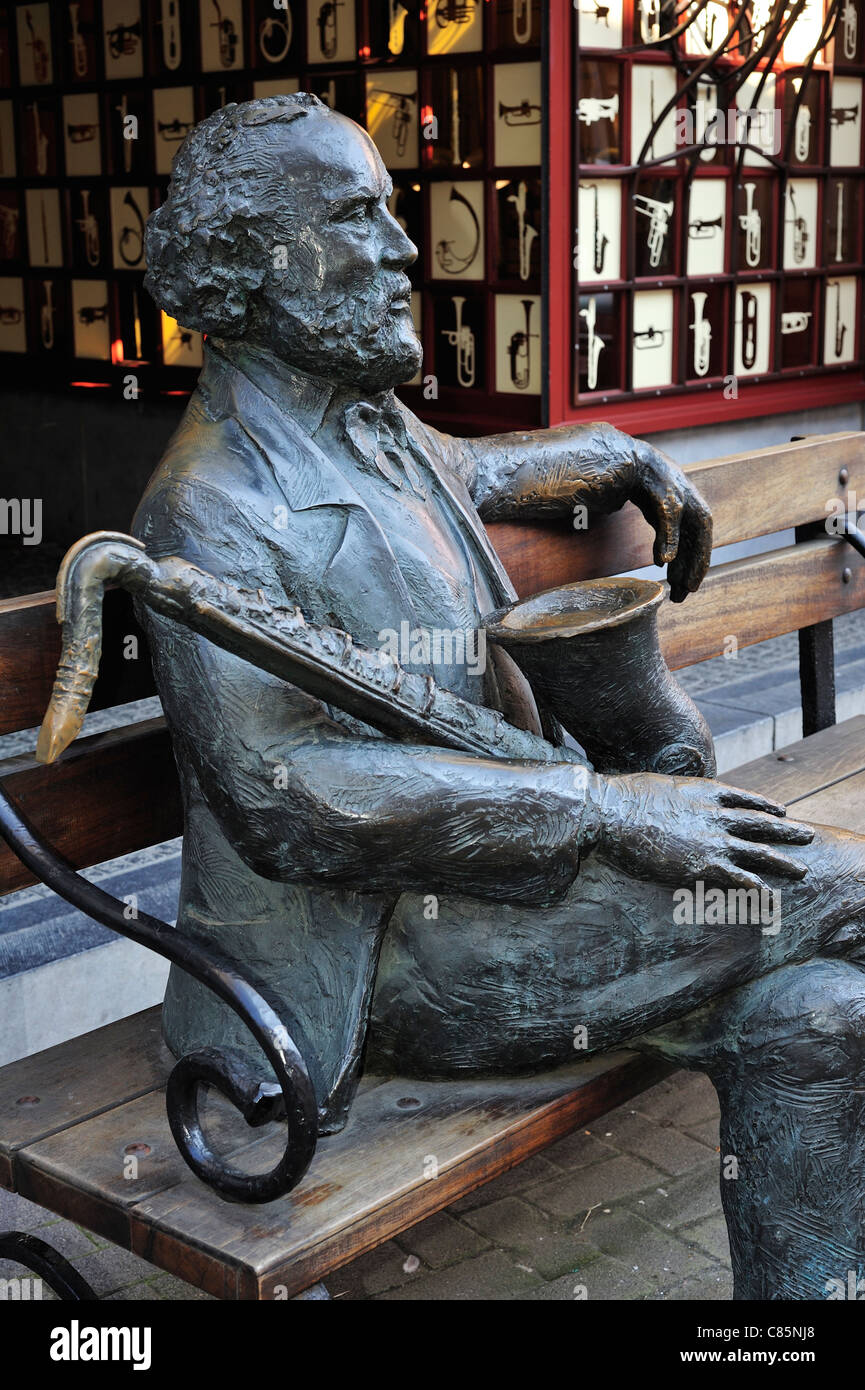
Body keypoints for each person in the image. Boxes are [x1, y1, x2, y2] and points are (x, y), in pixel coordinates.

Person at [136, 94, 865, 1298]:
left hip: (495, 892)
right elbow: (289, 795)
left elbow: (480, 467)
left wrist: (613, 450)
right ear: (250, 271)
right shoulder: (213, 506)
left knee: (822, 1014)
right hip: (379, 957)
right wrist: (606, 811)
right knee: (839, 887)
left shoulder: (363, 428)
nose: (403, 248)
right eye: (355, 218)